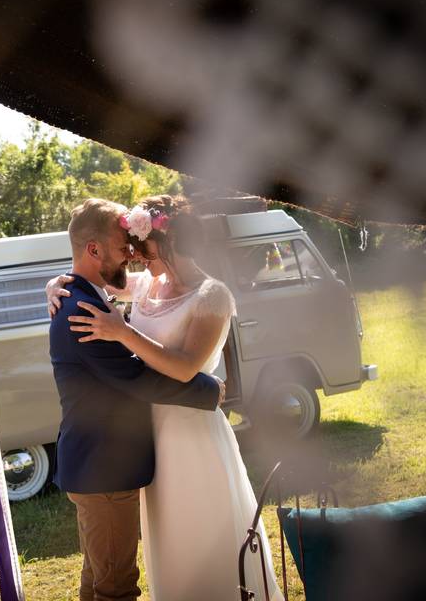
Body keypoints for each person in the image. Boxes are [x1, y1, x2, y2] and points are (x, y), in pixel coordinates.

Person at [47, 195, 284, 601]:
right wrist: (57, 282)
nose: (137, 258)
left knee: (202, 529)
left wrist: (121, 330)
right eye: (132, 248)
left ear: (172, 242)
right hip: (143, 442)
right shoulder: (149, 284)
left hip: (190, 431)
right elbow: (102, 282)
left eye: (143, 248)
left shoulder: (212, 295)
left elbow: (185, 366)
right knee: (153, 549)